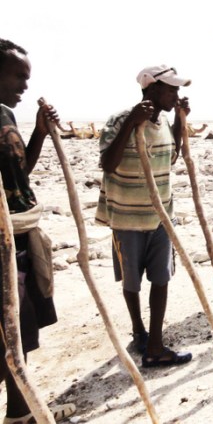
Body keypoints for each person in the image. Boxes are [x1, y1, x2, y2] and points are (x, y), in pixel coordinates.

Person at [95, 65, 192, 367]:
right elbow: (107, 164)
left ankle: (155, 344)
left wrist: (180, 122)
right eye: (171, 89)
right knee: (132, 281)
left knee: (161, 278)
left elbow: (171, 156)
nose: (176, 94)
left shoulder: (163, 122)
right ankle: (139, 331)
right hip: (127, 218)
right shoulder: (120, 119)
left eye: (177, 89)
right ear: (151, 88)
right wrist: (131, 123)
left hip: (161, 215)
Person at [0, 38, 76, 422]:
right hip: (1, 243)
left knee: (18, 330)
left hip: (18, 237)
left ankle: (20, 414)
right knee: (6, 332)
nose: (25, 85)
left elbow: (20, 172)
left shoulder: (5, 115)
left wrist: (41, 132)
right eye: (18, 76)